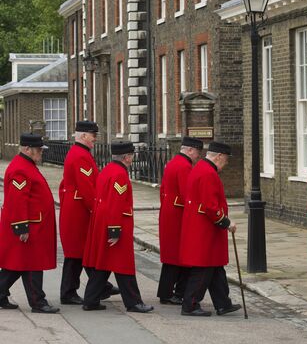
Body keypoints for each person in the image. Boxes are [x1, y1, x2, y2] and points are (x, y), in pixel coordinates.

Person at [82, 140, 153, 312]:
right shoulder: (120, 175)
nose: (132, 158)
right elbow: (116, 203)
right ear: (127, 157)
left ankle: (90, 300)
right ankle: (134, 302)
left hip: (103, 222)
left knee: (103, 264)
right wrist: (114, 230)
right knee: (123, 264)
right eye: (131, 155)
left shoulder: (107, 170)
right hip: (114, 223)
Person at [59, 121, 118, 305]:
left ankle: (100, 286)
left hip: (77, 210)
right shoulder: (80, 156)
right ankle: (70, 292)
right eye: (93, 135)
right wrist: (98, 210)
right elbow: (87, 188)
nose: (95, 139)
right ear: (83, 136)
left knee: (81, 252)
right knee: (76, 254)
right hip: (79, 212)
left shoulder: (80, 154)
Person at [179, 141, 241, 317]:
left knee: (215, 267)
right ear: (219, 156)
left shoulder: (201, 168)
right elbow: (210, 206)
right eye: (226, 159)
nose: (226, 163)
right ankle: (190, 304)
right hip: (205, 230)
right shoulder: (208, 173)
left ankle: (223, 303)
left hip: (203, 227)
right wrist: (226, 222)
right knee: (203, 268)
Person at [0, 133, 59, 313]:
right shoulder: (20, 169)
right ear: (27, 149)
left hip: (34, 224)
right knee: (31, 264)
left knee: (18, 265)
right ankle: (38, 302)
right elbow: (18, 200)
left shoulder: (27, 165)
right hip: (29, 225)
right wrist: (21, 226)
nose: (41, 152)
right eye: (39, 149)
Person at [157, 136, 203, 305]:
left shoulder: (172, 163)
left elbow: (163, 190)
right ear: (190, 150)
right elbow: (187, 194)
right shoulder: (185, 166)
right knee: (178, 257)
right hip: (178, 215)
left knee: (171, 257)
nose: (198, 156)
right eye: (197, 152)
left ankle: (166, 292)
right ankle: (174, 293)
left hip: (169, 212)